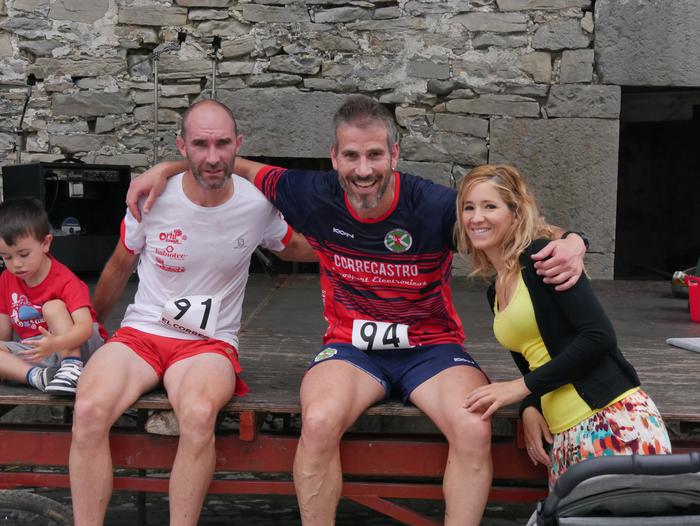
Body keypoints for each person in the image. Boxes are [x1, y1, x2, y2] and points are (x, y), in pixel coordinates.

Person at [127, 95, 587, 525]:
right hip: (352, 350)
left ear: (395, 154)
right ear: (333, 157)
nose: (363, 169)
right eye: (351, 156)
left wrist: (573, 242)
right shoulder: (310, 192)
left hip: (430, 347)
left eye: (374, 155)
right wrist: (166, 169)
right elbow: (230, 163)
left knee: (473, 428)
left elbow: (522, 226)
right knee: (318, 421)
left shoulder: (431, 205)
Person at [68, 99, 314, 526]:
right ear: (182, 146)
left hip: (207, 343)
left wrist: (359, 250)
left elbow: (291, 246)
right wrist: (90, 328)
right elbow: (119, 267)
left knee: (198, 416)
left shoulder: (256, 203)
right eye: (201, 144)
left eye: (222, 144)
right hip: (143, 333)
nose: (213, 157)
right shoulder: (152, 198)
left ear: (238, 144)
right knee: (88, 410)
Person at [456, 164, 672, 488]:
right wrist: (530, 406)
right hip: (565, 436)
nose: (477, 217)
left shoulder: (542, 258)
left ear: (516, 213)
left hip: (611, 421)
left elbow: (599, 337)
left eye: (490, 206)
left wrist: (520, 388)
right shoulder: (495, 291)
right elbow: (534, 362)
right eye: (468, 207)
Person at [0, 198, 106, 394]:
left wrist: (56, 343)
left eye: (24, 254)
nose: (16, 264)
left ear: (45, 243)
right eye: (7, 257)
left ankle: (72, 367)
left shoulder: (65, 279)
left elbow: (84, 328)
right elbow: (3, 333)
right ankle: (39, 377)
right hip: (40, 351)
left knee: (53, 307)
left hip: (79, 344)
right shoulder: (7, 279)